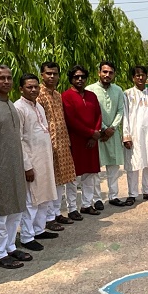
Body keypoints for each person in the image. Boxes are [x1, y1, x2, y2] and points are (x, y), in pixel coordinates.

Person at [0, 65, 30, 270]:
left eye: (9, 78)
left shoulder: (11, 105)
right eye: (1, 78)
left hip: (15, 167)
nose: (6, 81)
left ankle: (10, 247)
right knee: (0, 213)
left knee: (16, 210)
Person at [14, 74, 59, 251]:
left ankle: (39, 229)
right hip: (31, 161)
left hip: (44, 159)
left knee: (44, 196)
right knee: (31, 200)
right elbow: (19, 139)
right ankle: (27, 236)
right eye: (29, 87)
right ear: (21, 89)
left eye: (36, 87)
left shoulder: (38, 106)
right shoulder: (19, 108)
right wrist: (27, 166)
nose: (33, 90)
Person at [38, 61, 78, 226]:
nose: (52, 76)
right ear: (42, 75)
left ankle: (55, 213)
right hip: (46, 144)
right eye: (48, 73)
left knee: (60, 180)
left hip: (61, 143)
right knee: (49, 181)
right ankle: (47, 218)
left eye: (55, 74)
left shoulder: (57, 95)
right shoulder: (39, 94)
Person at [62, 65, 102, 216]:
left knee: (90, 175)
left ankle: (87, 204)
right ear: (71, 79)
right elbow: (71, 120)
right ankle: (72, 208)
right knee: (74, 177)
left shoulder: (92, 96)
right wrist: (91, 133)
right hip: (76, 141)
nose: (80, 79)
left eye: (83, 77)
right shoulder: (66, 96)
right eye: (76, 77)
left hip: (92, 142)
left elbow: (98, 115)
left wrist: (95, 134)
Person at [87, 61, 126, 207]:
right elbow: (91, 112)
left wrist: (112, 128)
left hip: (113, 133)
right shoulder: (90, 90)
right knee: (96, 168)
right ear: (99, 73)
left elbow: (120, 110)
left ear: (114, 74)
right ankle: (97, 199)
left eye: (110, 72)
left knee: (113, 167)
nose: (107, 75)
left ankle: (113, 196)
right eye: (104, 72)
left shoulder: (118, 90)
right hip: (97, 134)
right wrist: (103, 128)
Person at [123, 65, 148, 204]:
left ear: (146, 77)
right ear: (133, 78)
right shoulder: (127, 94)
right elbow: (125, 116)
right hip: (133, 134)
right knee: (133, 164)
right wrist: (126, 136)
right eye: (137, 75)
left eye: (143, 75)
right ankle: (132, 194)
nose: (140, 78)